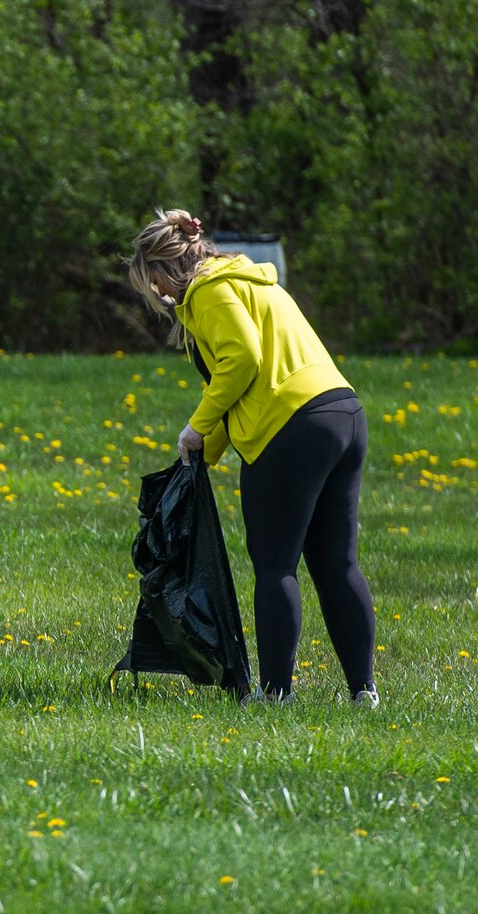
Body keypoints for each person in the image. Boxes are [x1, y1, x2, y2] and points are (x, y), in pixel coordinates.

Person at [127, 208, 379, 706]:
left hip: (291, 427)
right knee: (337, 564)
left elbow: (243, 359)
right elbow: (242, 382)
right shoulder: (250, 281)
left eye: (152, 281)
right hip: (342, 414)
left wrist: (196, 426)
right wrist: (202, 451)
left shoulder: (208, 292)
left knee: (274, 565)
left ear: (166, 269)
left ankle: (276, 694)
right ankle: (363, 692)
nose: (157, 296)